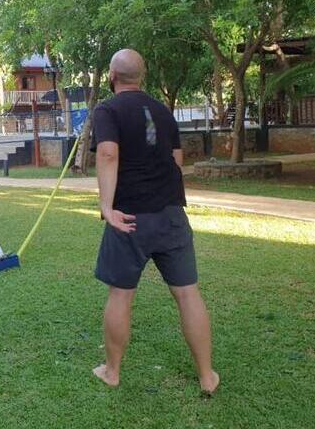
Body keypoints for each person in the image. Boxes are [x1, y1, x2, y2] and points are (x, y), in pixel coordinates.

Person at [90, 49, 219, 395]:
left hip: (128, 218)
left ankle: (112, 371)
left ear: (112, 77)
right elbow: (177, 160)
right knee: (188, 294)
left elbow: (107, 153)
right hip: (170, 215)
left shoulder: (107, 109)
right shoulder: (163, 111)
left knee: (121, 295)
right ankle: (207, 376)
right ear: (141, 78)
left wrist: (106, 205)